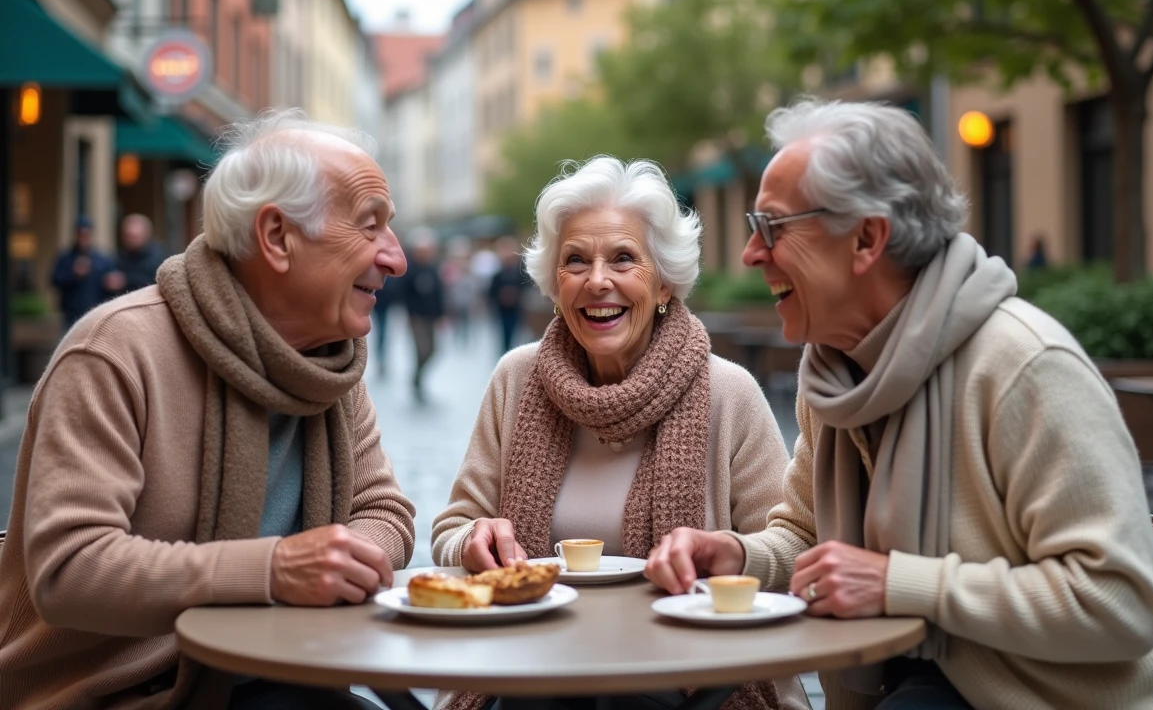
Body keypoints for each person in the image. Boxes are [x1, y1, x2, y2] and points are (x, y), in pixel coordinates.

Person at [645, 98, 1153, 709]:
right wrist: (738, 554)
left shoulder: (1024, 365)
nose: (750, 253)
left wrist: (898, 583)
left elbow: (1117, 600)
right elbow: (807, 538)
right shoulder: (833, 373)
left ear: (867, 239)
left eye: (772, 227)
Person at [0, 110, 417, 710]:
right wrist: (273, 570)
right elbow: (71, 569)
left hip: (282, 674)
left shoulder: (331, 362)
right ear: (277, 237)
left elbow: (385, 511)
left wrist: (341, 561)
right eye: (370, 227)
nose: (396, 259)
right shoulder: (115, 350)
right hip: (110, 696)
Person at [432, 157, 809, 710]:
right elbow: (450, 533)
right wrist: (472, 541)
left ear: (663, 281)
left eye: (624, 259)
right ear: (555, 283)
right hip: (528, 668)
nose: (597, 280)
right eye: (576, 261)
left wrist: (727, 551)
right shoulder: (516, 378)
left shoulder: (728, 392)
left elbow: (793, 552)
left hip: (689, 678)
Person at [399, 231, 446, 403]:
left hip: (432, 317)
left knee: (433, 349)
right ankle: (417, 381)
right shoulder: (410, 271)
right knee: (421, 349)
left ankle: (417, 377)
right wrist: (409, 315)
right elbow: (404, 295)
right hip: (417, 318)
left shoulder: (433, 269)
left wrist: (442, 315)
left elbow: (439, 293)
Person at [50, 216, 117, 331]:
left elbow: (111, 285)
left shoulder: (102, 259)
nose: (83, 238)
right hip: (71, 315)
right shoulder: (65, 257)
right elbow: (55, 280)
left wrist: (112, 284)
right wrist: (74, 274)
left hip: (96, 314)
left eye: (86, 234)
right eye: (80, 234)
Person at [104, 213, 167, 296]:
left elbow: (154, 284)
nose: (130, 240)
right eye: (127, 236)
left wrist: (126, 281)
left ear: (145, 235)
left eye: (134, 237)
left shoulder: (157, 258)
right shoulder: (122, 256)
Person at [488, 235, 526, 354]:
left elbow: (526, 288)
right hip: (503, 310)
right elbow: (491, 292)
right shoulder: (498, 275)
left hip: (517, 309)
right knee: (505, 336)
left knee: (518, 334)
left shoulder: (521, 273)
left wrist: (516, 295)